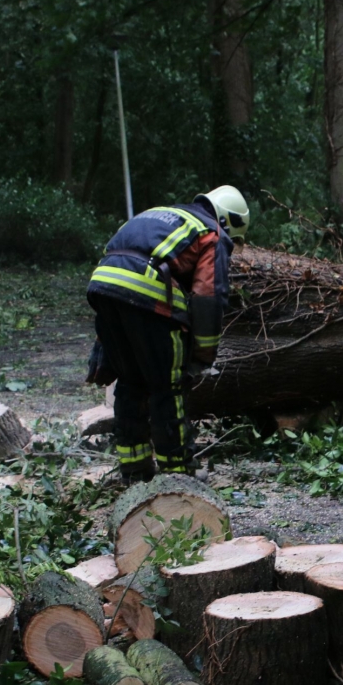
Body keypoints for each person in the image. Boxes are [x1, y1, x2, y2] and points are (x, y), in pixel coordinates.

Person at [85, 186, 248, 482]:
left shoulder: (161, 215)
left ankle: (135, 471)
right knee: (167, 386)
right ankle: (178, 473)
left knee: (130, 381)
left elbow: (118, 261)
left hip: (102, 287)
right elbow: (208, 296)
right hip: (146, 294)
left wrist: (104, 340)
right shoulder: (210, 232)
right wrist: (202, 355)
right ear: (228, 221)